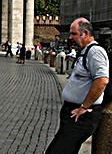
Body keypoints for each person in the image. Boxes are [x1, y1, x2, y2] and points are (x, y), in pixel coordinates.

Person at [46, 18, 108, 153]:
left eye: (73, 33)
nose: (70, 37)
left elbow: (102, 81)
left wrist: (84, 107)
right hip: (73, 114)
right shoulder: (85, 51)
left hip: (81, 116)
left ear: (85, 33)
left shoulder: (95, 52)